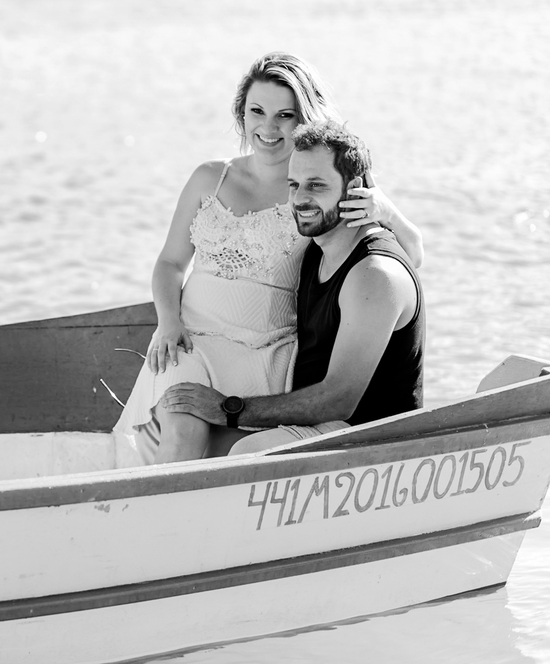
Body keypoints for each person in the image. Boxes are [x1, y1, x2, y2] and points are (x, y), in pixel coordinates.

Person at [112, 52, 423, 467]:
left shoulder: (325, 190)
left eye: (285, 115)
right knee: (183, 427)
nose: (268, 127)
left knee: (230, 454)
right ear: (241, 114)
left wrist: (385, 210)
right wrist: (168, 321)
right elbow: (170, 262)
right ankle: (160, 516)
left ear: (304, 119)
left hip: (267, 350)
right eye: (256, 111)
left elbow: (408, 254)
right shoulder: (210, 177)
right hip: (192, 337)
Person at [155, 120, 424, 457]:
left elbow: (339, 399)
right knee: (198, 442)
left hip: (369, 440)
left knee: (244, 452)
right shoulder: (317, 248)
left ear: (355, 189)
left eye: (316, 185)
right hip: (317, 424)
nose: (299, 199)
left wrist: (229, 407)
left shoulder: (372, 273)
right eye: (294, 184)